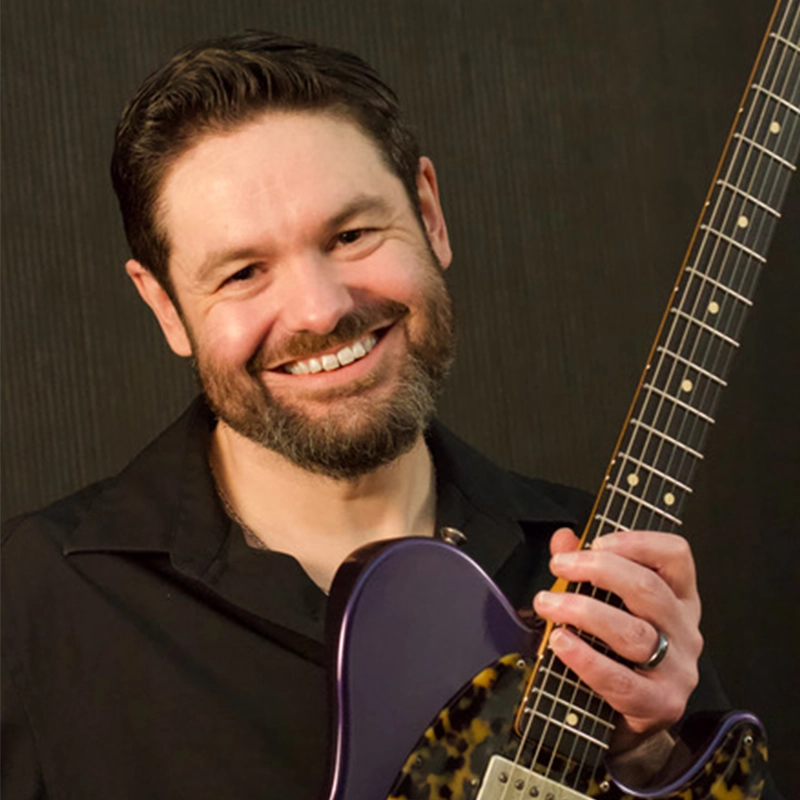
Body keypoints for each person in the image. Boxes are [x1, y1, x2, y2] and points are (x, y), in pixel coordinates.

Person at [1, 31, 778, 799]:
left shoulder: (597, 577)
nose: (320, 309)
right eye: (243, 272)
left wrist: (647, 760)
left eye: (351, 234)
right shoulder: (33, 601)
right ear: (165, 306)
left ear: (430, 215)